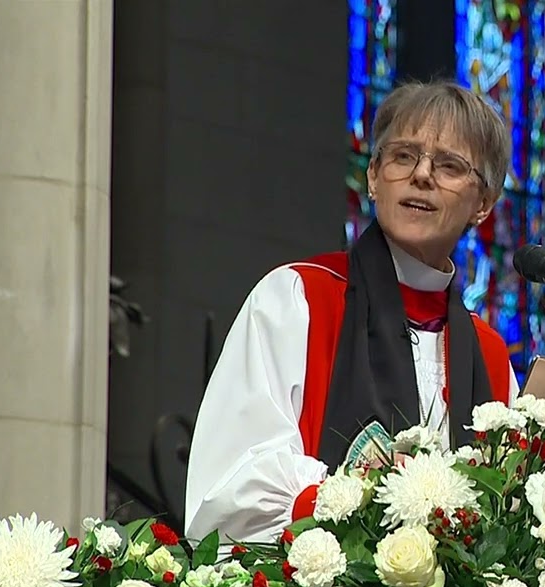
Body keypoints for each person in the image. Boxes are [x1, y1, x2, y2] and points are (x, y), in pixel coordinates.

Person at [183, 80, 520, 545]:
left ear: (483, 204)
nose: (422, 175)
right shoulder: (299, 298)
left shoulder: (489, 357)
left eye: (448, 165)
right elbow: (232, 483)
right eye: (403, 156)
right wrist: (360, 494)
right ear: (374, 176)